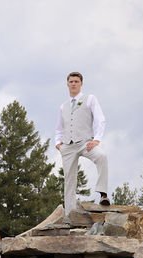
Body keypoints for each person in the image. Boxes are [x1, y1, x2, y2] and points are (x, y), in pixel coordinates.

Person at [54, 71, 110, 211]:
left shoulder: (90, 99)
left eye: (76, 81)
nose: (73, 84)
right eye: (71, 81)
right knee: (69, 179)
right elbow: (59, 128)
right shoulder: (63, 106)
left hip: (85, 143)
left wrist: (97, 139)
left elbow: (100, 119)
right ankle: (70, 213)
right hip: (67, 146)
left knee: (102, 156)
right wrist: (58, 143)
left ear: (81, 84)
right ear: (67, 84)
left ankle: (103, 194)